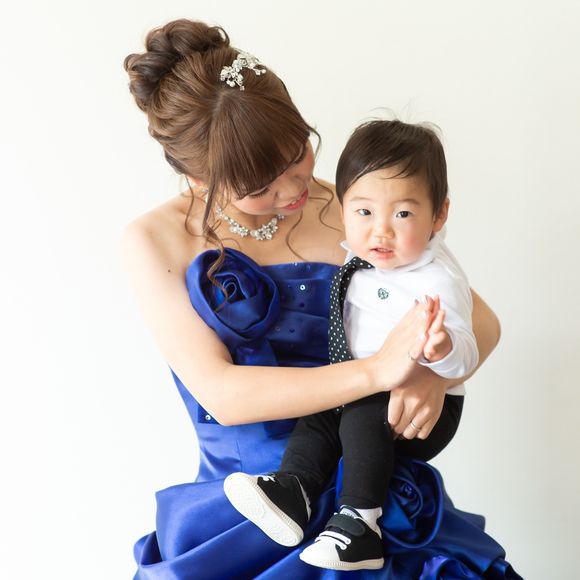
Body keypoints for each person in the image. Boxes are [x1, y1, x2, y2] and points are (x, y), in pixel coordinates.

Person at [123, 18, 520, 579]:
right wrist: (378, 371)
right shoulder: (154, 240)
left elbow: (484, 321)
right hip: (248, 505)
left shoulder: (351, 207)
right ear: (200, 179)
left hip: (367, 480)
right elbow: (225, 395)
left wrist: (432, 375)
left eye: (298, 155)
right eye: (261, 187)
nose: (294, 190)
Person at [223, 119, 480, 572]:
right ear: (343, 209)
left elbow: (469, 348)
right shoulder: (362, 257)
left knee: (361, 408)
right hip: (366, 385)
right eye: (364, 213)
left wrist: (440, 354)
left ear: (439, 216)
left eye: (403, 215)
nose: (381, 231)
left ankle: (361, 523)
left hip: (422, 409)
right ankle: (294, 490)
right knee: (326, 406)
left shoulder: (436, 278)